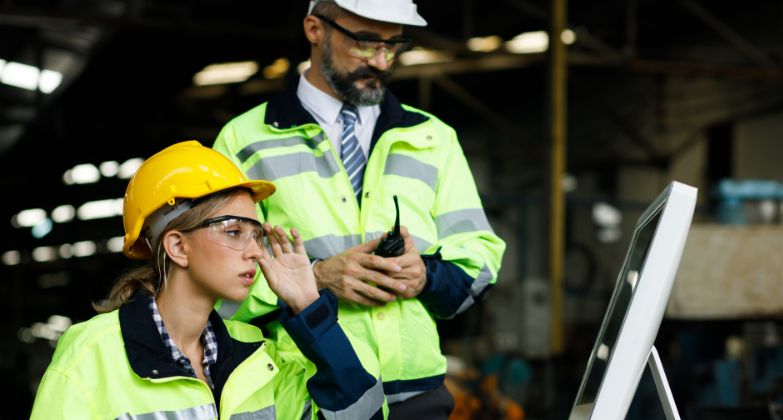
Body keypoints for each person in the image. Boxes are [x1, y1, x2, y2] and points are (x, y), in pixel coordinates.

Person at [213, 0, 506, 417]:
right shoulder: (242, 142)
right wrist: (316, 280)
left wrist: (426, 276)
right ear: (315, 29)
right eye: (366, 43)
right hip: (305, 395)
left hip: (416, 397)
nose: (382, 61)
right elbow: (215, 282)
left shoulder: (433, 138)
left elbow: (479, 258)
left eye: (394, 45)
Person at [30, 141, 385, 419]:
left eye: (256, 234)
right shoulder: (92, 355)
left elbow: (362, 414)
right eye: (233, 232)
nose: (256, 253)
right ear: (177, 247)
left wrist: (310, 309)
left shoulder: (260, 356)